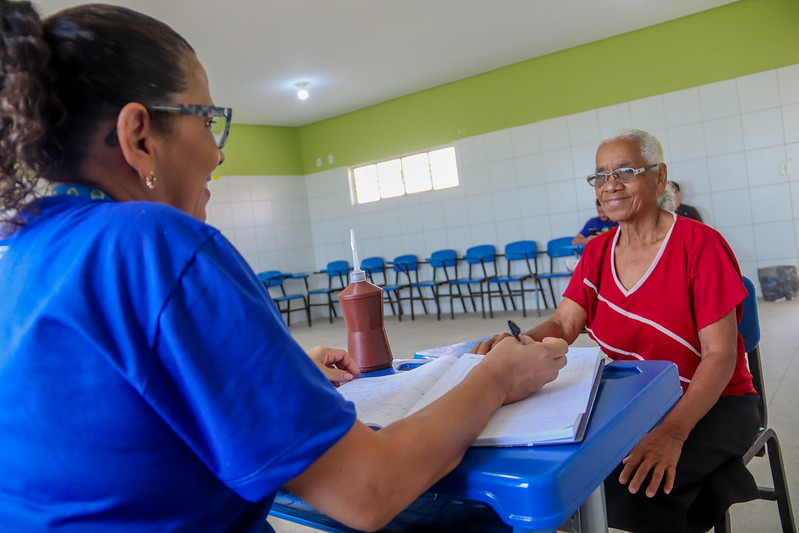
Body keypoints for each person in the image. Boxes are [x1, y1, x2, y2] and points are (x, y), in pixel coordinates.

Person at [0, 2, 568, 531]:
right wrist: (496, 378)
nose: (219, 151)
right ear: (139, 135)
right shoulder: (157, 240)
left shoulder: (25, 246)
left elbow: (111, 409)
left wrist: (276, 366)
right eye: (208, 119)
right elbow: (366, 490)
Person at [476, 128, 760, 533]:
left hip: (712, 401)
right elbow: (564, 323)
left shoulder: (700, 245)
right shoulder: (596, 253)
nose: (610, 185)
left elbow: (720, 355)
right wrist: (520, 343)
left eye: (624, 171)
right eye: (600, 176)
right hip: (636, 400)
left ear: (659, 177)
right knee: (561, 472)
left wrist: (673, 434)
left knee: (638, 489)